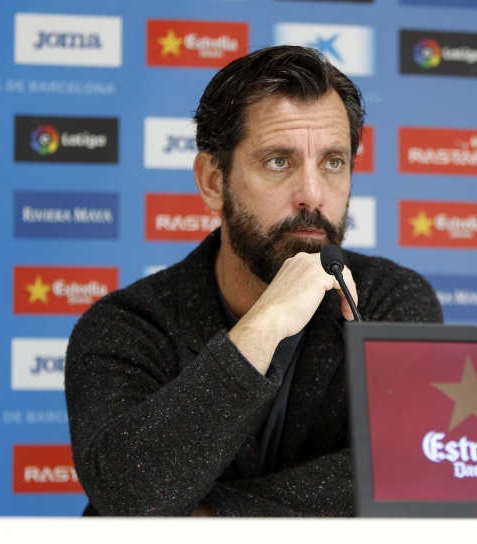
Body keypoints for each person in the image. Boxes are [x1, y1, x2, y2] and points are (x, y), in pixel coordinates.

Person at [64, 45, 443, 517]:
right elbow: (131, 495)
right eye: (279, 161)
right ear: (212, 181)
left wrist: (211, 518)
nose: (312, 194)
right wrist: (264, 324)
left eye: (333, 162)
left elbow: (406, 469)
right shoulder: (126, 326)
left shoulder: (389, 300)